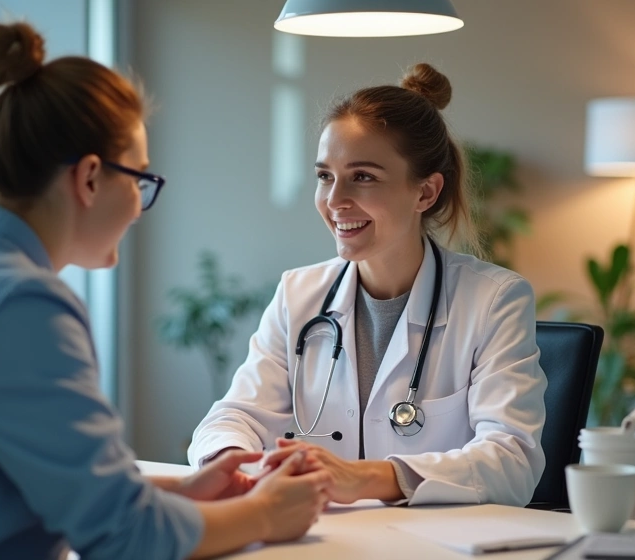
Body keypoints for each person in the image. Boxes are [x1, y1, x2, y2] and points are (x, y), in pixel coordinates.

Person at [0, 21, 330, 560]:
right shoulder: (18, 304)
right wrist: (267, 513)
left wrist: (181, 490)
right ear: (89, 178)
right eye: (138, 179)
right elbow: (125, 540)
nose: (139, 205)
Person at [188, 63, 547, 508]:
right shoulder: (298, 295)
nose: (334, 200)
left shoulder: (494, 300)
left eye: (363, 177)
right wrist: (232, 462)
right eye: (325, 176)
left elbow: (512, 461)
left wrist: (367, 479)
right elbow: (234, 414)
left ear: (425, 193)